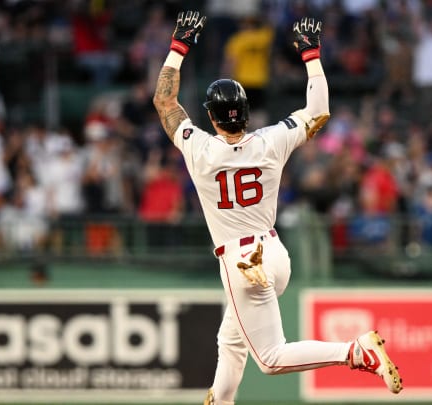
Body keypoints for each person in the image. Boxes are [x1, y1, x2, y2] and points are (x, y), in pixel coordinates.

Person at [152, 11, 403, 405]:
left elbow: (164, 100)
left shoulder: (198, 147)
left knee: (269, 358)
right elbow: (318, 111)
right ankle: (221, 401)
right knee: (231, 339)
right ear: (247, 112)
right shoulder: (271, 141)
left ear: (211, 117)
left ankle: (355, 351)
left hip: (242, 262)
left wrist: (178, 46)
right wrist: (311, 56)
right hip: (273, 253)